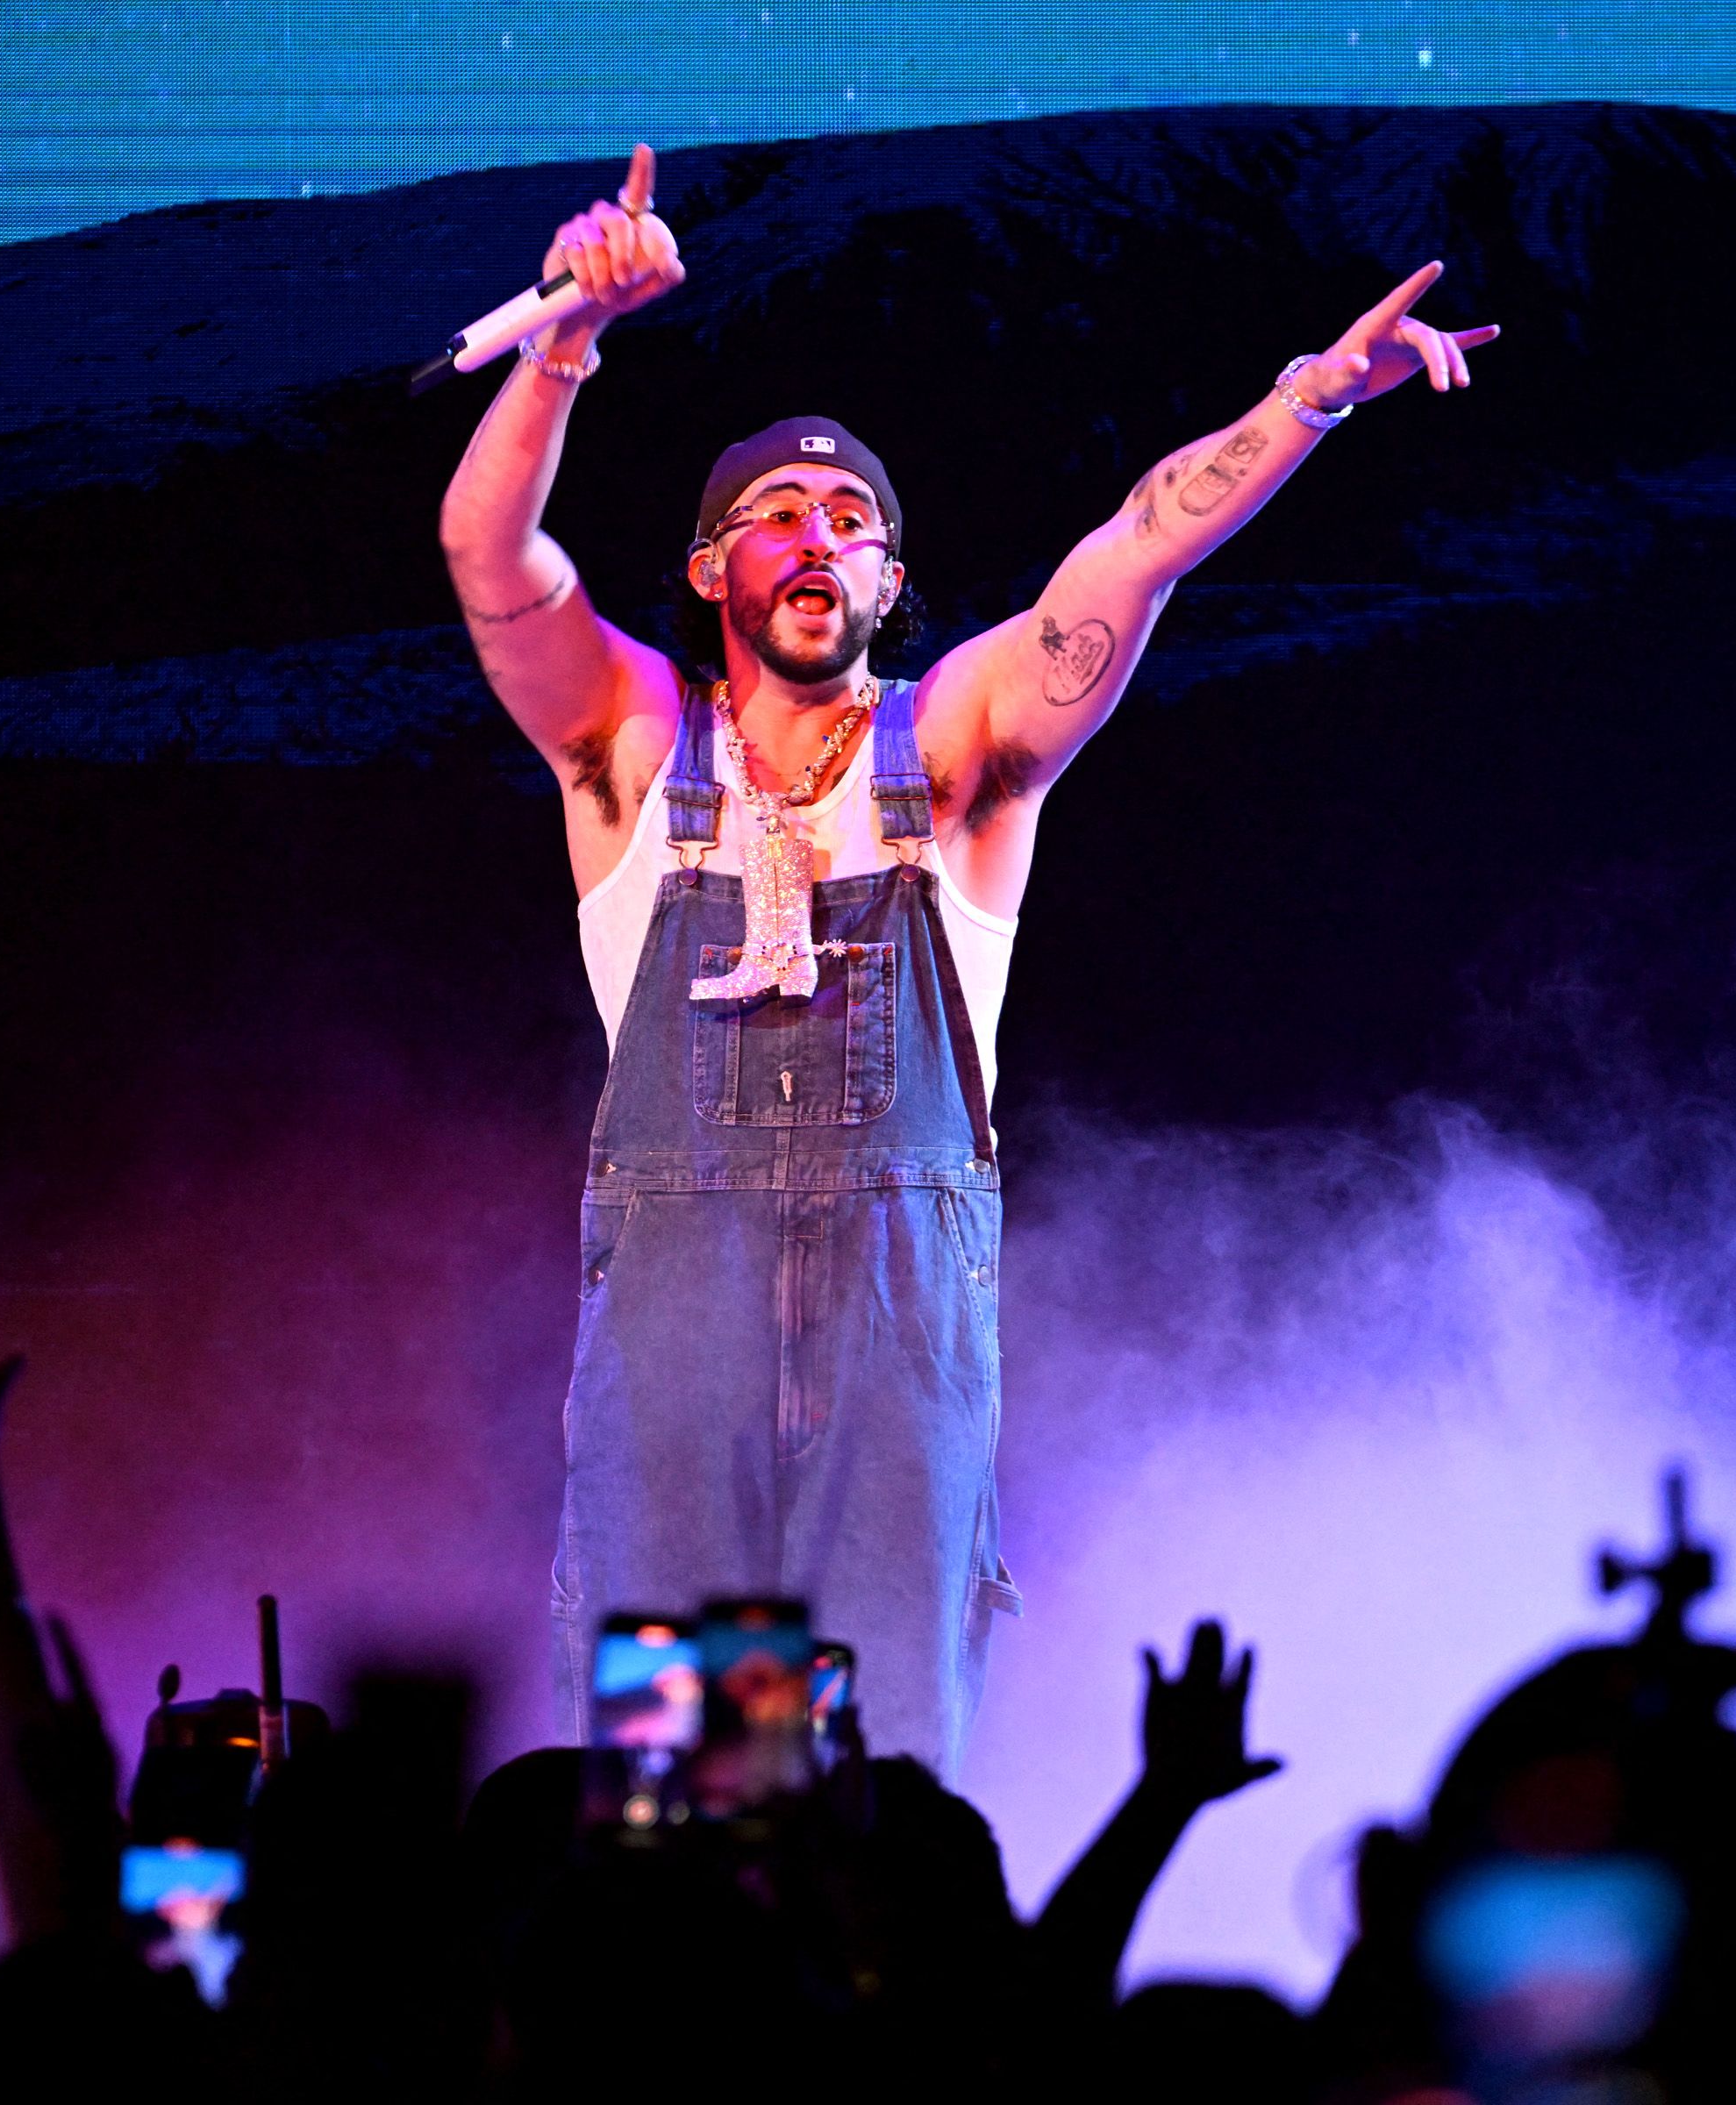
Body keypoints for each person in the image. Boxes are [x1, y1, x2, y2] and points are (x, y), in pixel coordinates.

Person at [437, 141, 1500, 1772]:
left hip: (900, 1341)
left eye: (852, 518)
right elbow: (493, 559)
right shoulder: (634, 748)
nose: (818, 534)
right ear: (715, 569)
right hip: (676, 1348)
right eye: (775, 513)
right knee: (666, 1782)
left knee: (884, 1766)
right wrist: (566, 341)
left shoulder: (963, 751)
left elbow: (1135, 549)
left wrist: (1310, 400)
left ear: (890, 581)